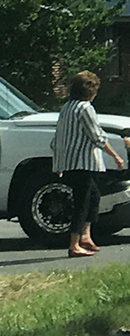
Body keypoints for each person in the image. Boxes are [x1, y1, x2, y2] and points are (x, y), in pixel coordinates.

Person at [52, 70, 124, 257]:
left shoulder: (66, 107)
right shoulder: (85, 108)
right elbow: (97, 136)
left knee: (94, 197)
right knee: (82, 203)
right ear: (90, 90)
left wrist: (58, 163)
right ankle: (74, 244)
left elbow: (58, 138)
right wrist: (115, 156)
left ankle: (85, 235)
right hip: (82, 164)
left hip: (70, 163)